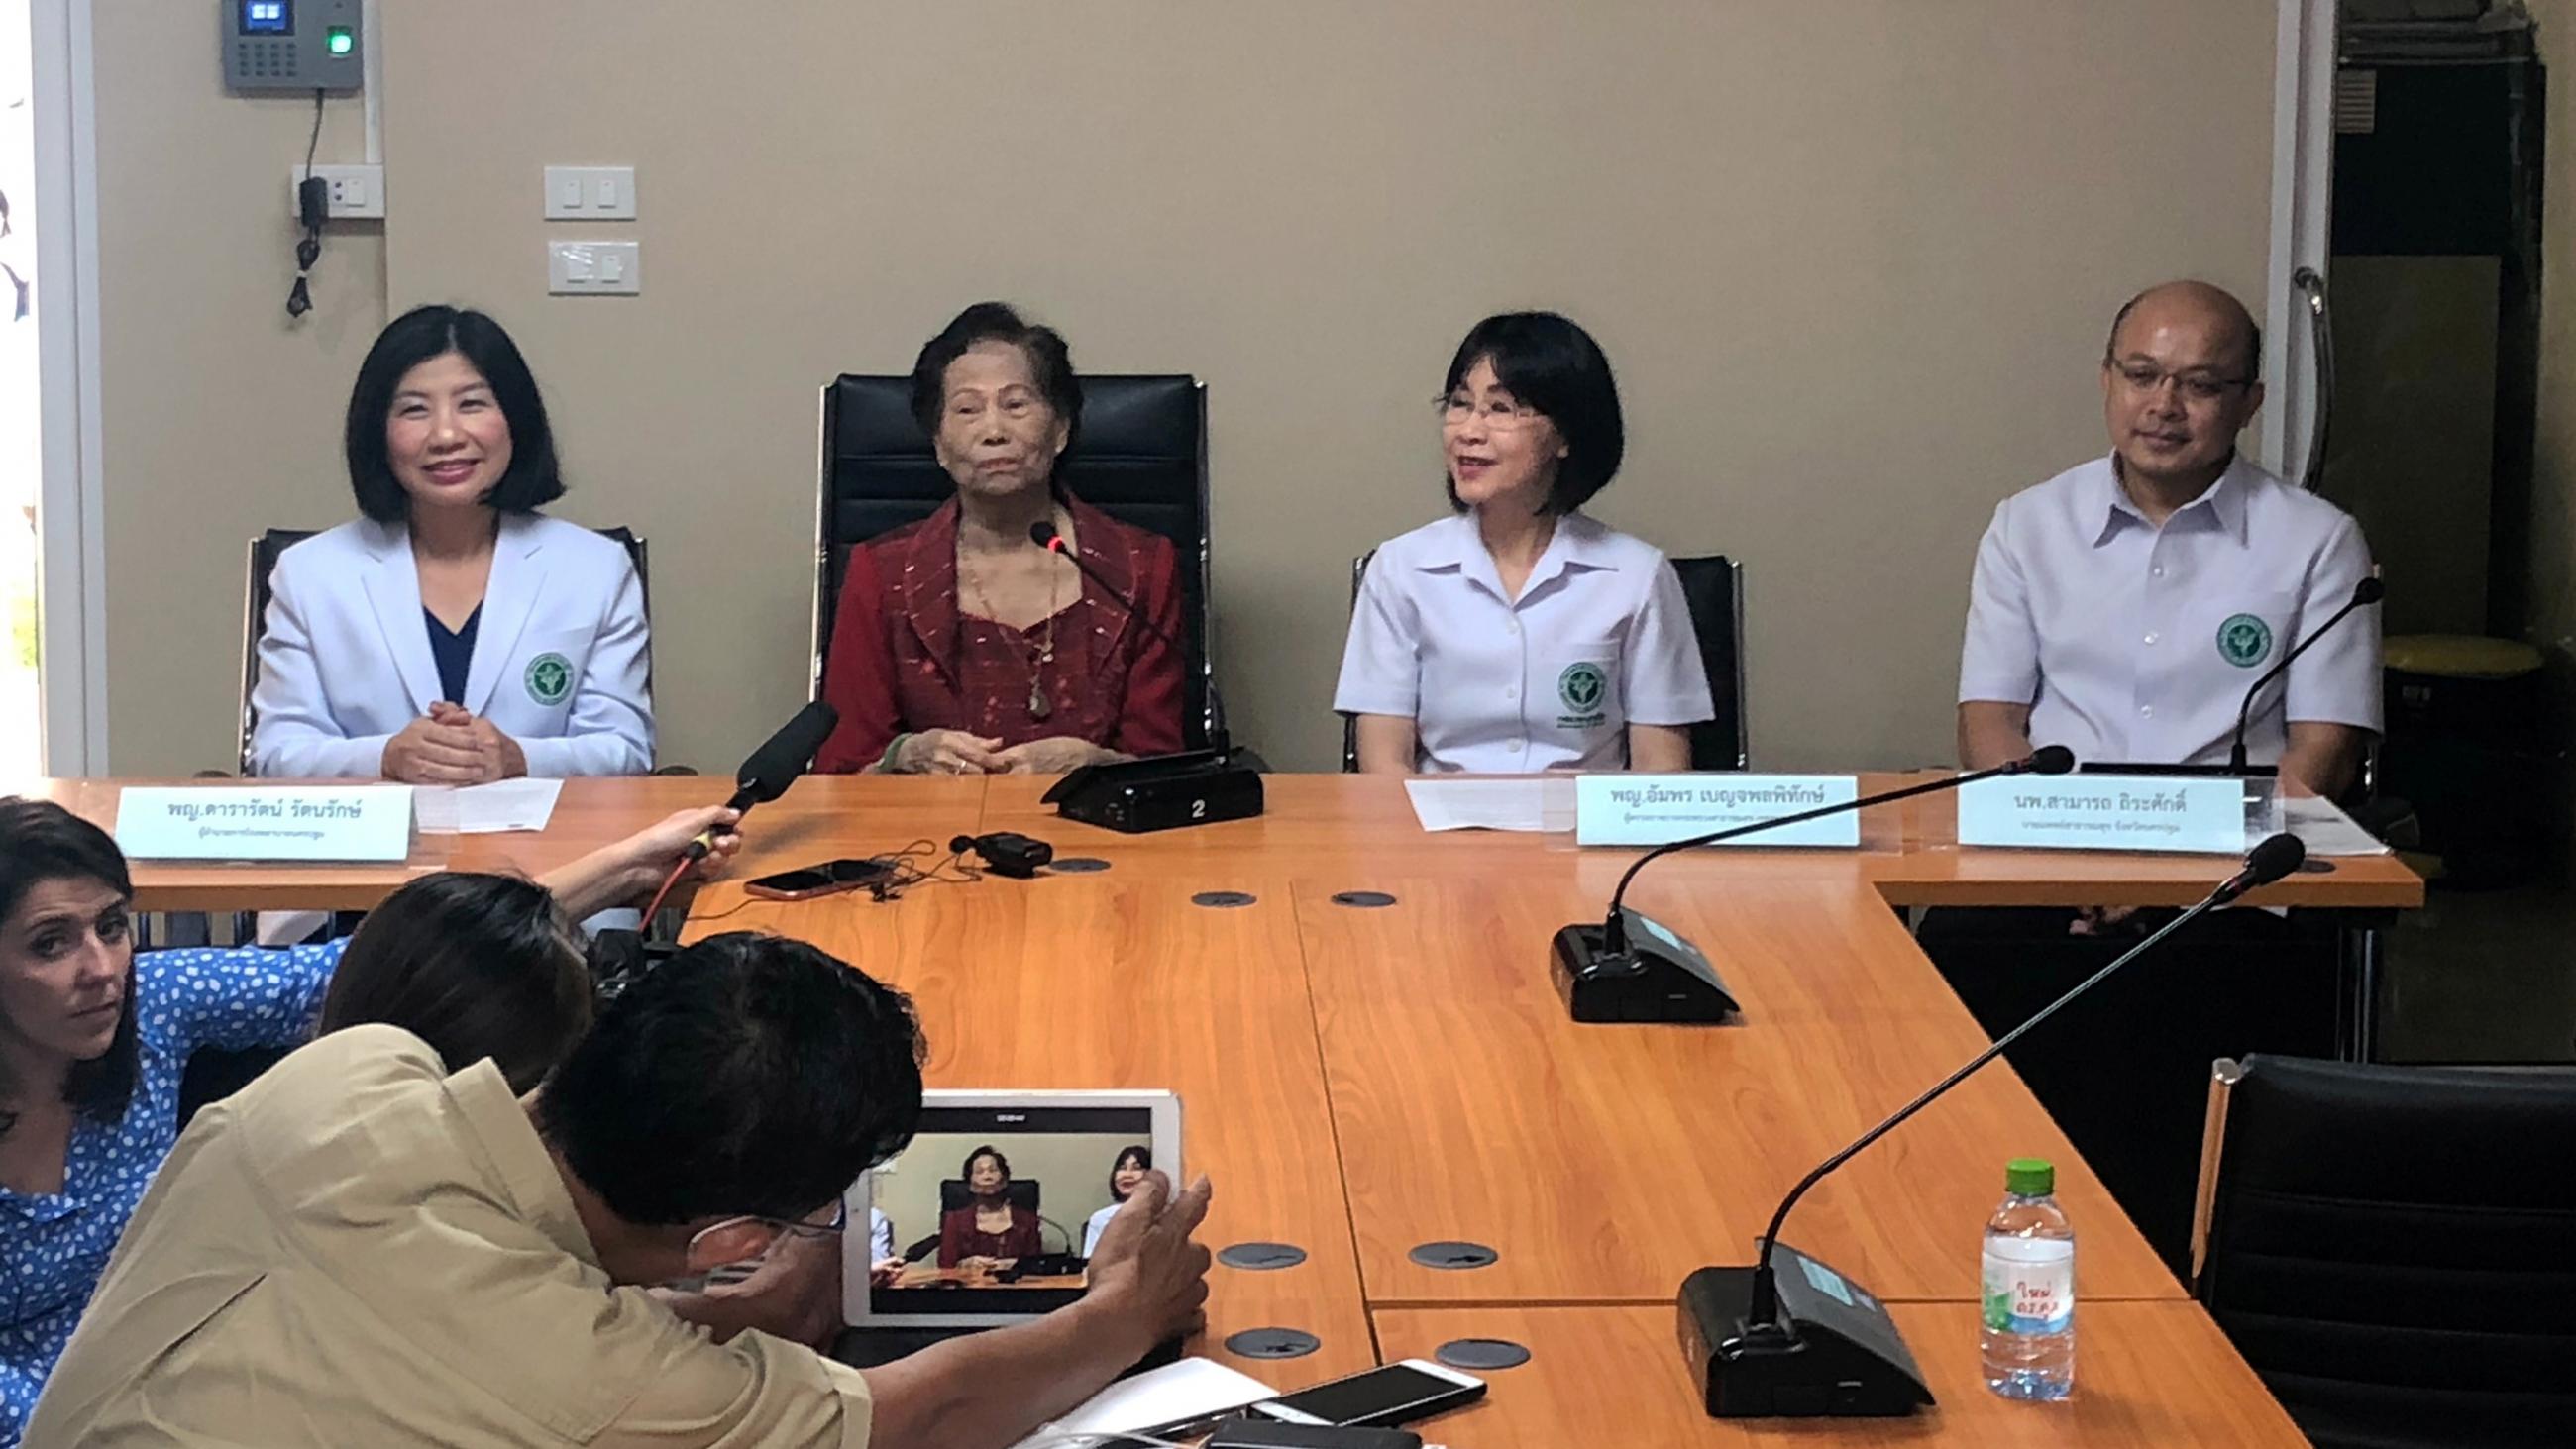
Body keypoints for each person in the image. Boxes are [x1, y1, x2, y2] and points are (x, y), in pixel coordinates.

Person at [25, 934, 1217, 1448]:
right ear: (735, 1236)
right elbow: (928, 1416)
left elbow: (435, 1324)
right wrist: (1118, 1313)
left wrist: (717, 1311)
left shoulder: (345, 1075)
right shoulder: (601, 1386)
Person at [0, 798, 737, 1444]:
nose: (101, 967)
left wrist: (625, 865)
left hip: (201, 1352)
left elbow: (393, 962)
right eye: (51, 943)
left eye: (113, 925)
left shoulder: (150, 1001)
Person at [1924, 279, 2381, 1273]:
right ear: (2105, 379)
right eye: (2140, 375)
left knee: (2189, 1057)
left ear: (2248, 402)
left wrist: (2185, 876)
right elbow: (1991, 720)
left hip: (2231, 874)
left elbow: (2322, 750)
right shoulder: (2027, 524)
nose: (2162, 405)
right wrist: (2060, 859)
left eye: (2200, 384)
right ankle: (1982, 1253)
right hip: (2048, 851)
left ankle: (2201, 1282)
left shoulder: (2314, 540)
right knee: (1950, 967)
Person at [250, 303, 654, 783]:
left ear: (515, 420)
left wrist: (516, 758)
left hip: (548, 848)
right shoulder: (309, 574)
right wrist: (386, 757)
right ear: (378, 432)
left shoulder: (597, 569)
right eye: (414, 410)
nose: (445, 435)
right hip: (369, 852)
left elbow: (626, 749)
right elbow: (275, 753)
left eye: (472, 404)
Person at [814, 302, 1187, 776]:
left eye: (1016, 405)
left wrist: (1099, 764)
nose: (993, 431)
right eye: (967, 410)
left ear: (1060, 430)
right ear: (939, 445)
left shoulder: (1143, 566)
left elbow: (1166, 767)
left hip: (1103, 838)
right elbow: (839, 773)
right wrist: (903, 757)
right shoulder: (880, 573)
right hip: (926, 839)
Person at [1336, 311, 1712, 774]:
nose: (1469, 431)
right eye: (1459, 404)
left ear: (1565, 435)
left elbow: (1661, 773)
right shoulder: (1400, 568)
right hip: (1437, 837)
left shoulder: (1636, 575)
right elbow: (1383, 768)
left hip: (1584, 836)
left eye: (1501, 409)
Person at [937, 1144, 1042, 1272]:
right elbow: (945, 1266)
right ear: (969, 1182)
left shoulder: (1027, 1220)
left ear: (1004, 1178)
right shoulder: (955, 1220)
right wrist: (965, 1264)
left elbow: (1036, 1265)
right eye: (979, 1171)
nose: (987, 1176)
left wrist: (1015, 1264)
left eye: (992, 1170)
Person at [1082, 1144, 1152, 1257]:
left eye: (1137, 1168)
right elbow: (1089, 1266)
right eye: (1122, 1168)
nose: (1127, 1174)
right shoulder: (1101, 1218)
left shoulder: (1162, 1216)